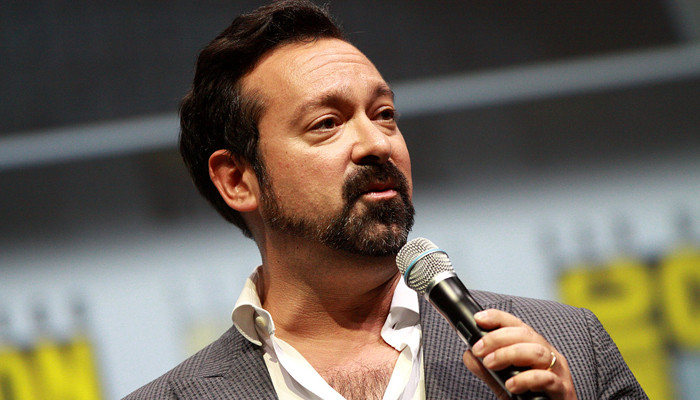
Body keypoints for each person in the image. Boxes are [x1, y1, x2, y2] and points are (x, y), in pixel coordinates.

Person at [124, 1, 647, 399]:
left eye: (384, 114)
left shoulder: (570, 346)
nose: (377, 143)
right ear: (238, 180)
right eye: (326, 123)